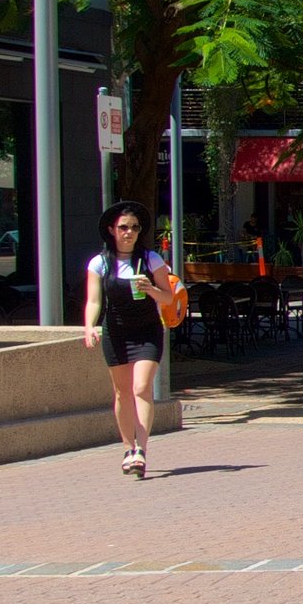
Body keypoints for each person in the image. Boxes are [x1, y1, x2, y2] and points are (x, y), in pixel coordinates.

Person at [83, 201, 177, 479]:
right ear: (112, 229)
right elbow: (94, 300)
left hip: (147, 331)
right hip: (117, 332)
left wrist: (150, 289)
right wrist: (90, 326)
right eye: (123, 227)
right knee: (122, 392)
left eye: (135, 228)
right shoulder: (100, 263)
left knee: (141, 387)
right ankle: (128, 448)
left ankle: (142, 450)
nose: (129, 233)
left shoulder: (150, 260)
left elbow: (169, 296)